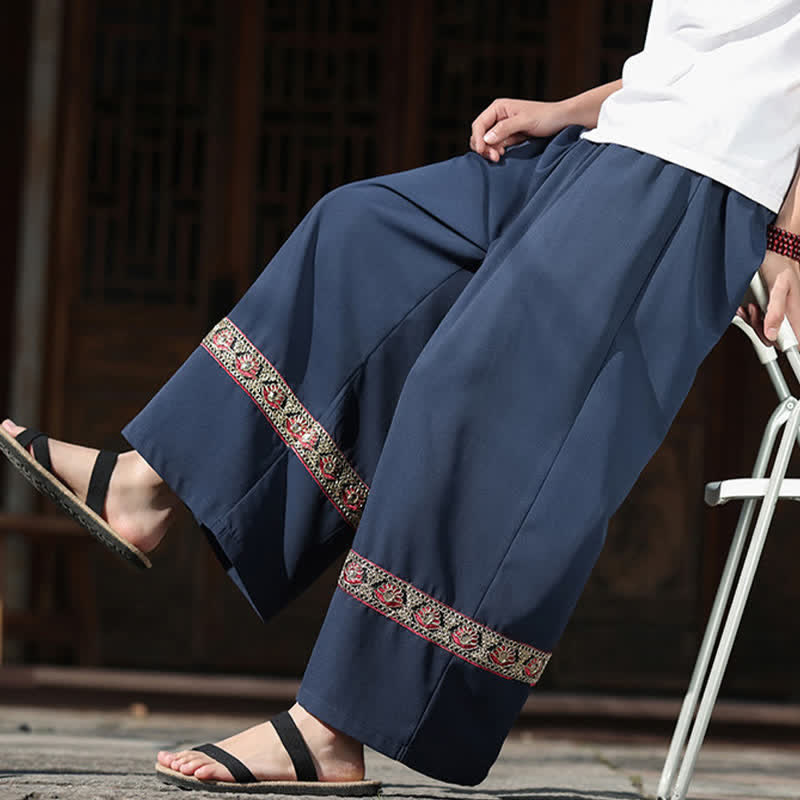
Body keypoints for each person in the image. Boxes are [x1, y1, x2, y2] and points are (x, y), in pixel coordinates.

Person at [3, 0, 800, 794]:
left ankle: (329, 730)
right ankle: (150, 484)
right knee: (367, 234)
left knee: (474, 400)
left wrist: (790, 239)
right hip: (616, 145)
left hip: (697, 184)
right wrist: (565, 111)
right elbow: (711, 58)